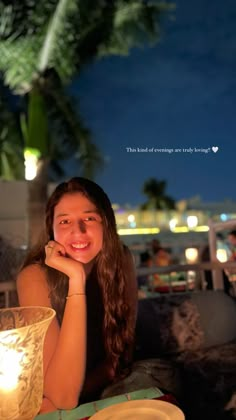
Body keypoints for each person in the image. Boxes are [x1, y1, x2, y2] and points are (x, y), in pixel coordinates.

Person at [17, 177, 138, 413]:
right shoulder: (34, 277)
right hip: (58, 396)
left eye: (89, 218)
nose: (78, 230)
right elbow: (63, 396)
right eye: (64, 221)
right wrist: (76, 280)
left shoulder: (121, 260)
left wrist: (92, 381)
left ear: (106, 224)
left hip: (95, 389)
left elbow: (122, 357)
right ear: (51, 229)